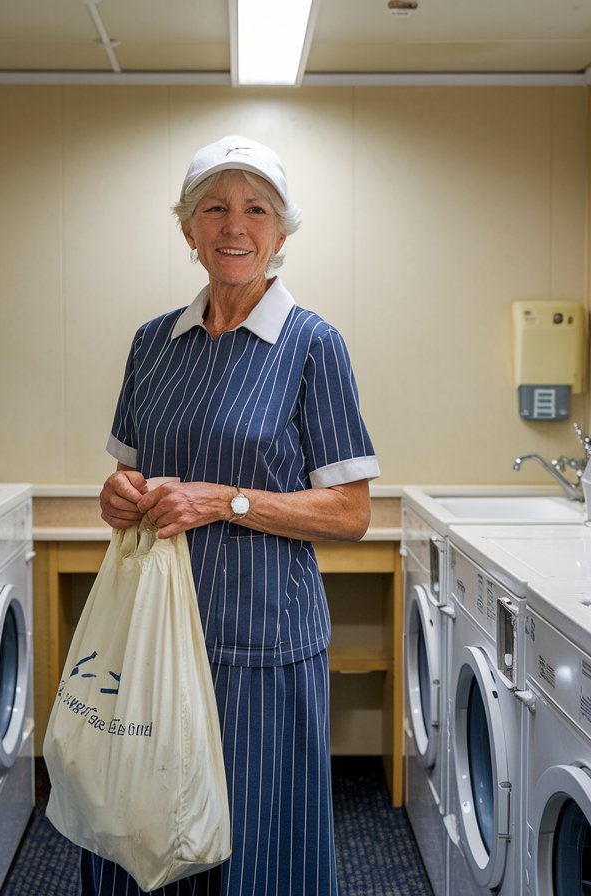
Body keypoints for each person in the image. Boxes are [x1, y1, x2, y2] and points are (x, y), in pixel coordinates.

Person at [92, 135, 380, 896]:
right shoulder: (154, 344)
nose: (234, 225)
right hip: (155, 633)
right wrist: (116, 496)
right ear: (187, 229)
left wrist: (226, 500)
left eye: (256, 209)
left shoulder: (313, 345)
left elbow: (352, 512)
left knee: (254, 843)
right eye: (214, 208)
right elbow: (128, 470)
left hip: (260, 640)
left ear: (282, 234)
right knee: (144, 823)